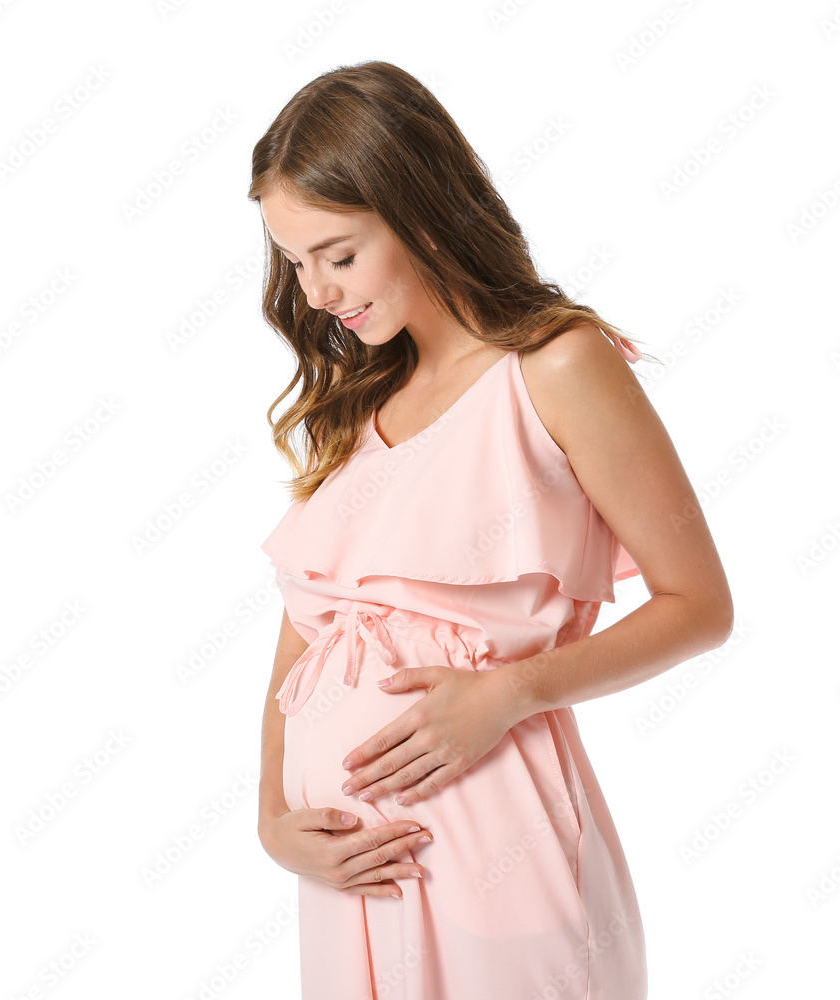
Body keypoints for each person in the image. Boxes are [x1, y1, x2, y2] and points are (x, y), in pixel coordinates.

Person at [250, 60, 733, 1000]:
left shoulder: (555, 366)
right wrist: (273, 816)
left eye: (338, 255)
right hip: (350, 880)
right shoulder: (360, 401)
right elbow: (310, 637)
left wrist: (508, 693)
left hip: (496, 853)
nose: (315, 293)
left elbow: (699, 605)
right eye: (294, 261)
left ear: (422, 212)